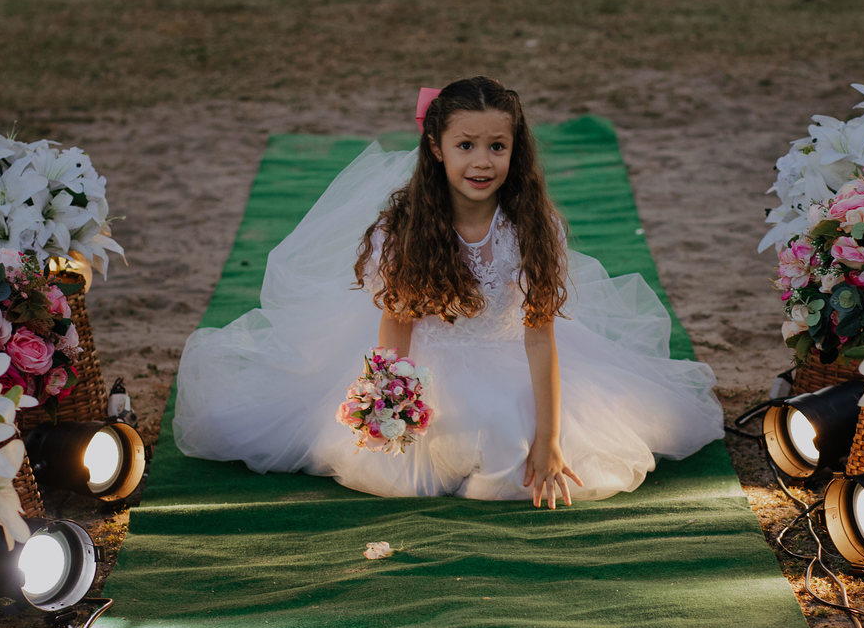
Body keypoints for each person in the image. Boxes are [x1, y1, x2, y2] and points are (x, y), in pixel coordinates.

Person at [173, 77, 723, 509]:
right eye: (466, 145)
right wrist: (388, 394)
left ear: (516, 151)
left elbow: (539, 339)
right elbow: (396, 322)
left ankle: (524, 446)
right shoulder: (405, 227)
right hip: (426, 365)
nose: (482, 162)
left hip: (510, 357)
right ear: (436, 148)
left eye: (497, 146)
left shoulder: (532, 227)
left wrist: (549, 437)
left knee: (514, 454)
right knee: (398, 463)